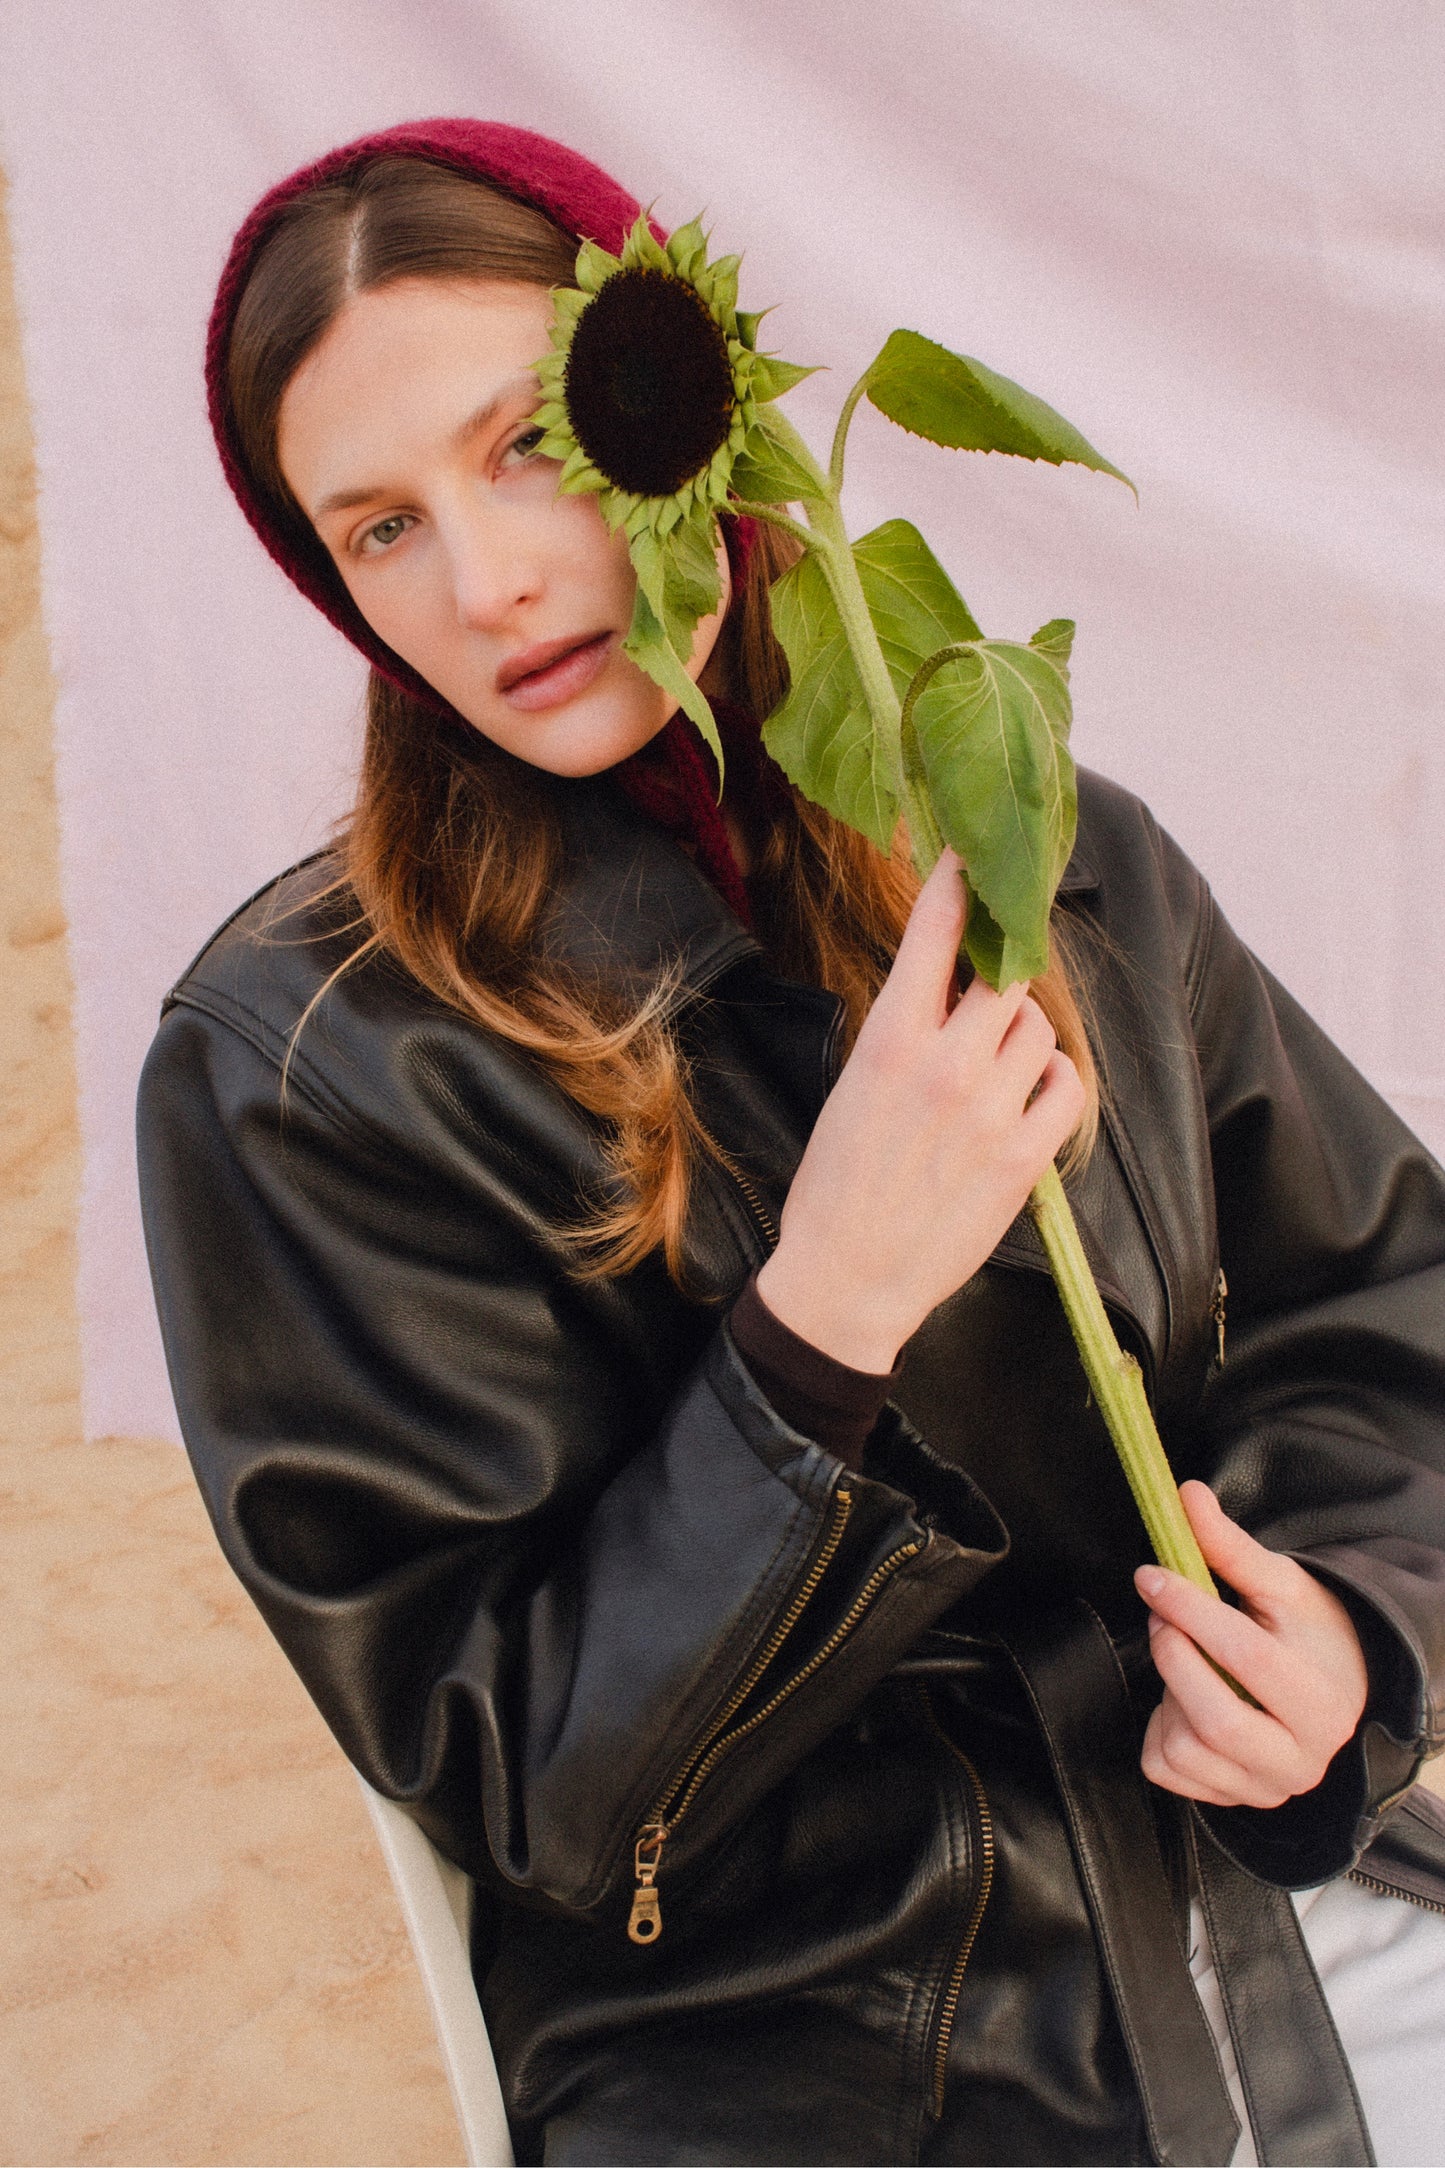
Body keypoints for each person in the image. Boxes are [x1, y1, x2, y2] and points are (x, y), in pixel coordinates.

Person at [138, 120, 1445, 2166]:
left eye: (526, 446)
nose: (481, 583)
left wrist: (1348, 1629)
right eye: (379, 529)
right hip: (817, 2053)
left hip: (1279, 1902)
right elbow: (534, 1791)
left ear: (695, 410)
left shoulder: (1030, 843)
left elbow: (1379, 1302)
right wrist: (817, 1327)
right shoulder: (304, 1066)